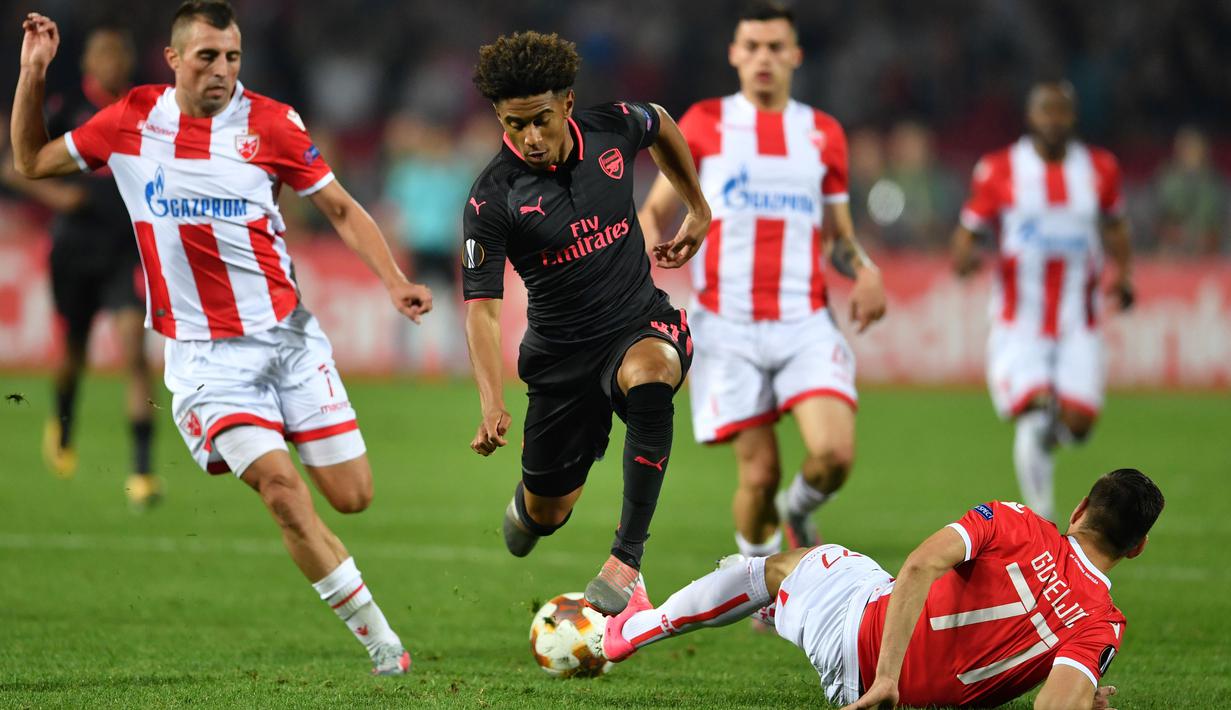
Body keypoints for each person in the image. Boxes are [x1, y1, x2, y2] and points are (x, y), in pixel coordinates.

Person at [11, 2, 432, 675]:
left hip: (290, 341)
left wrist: (393, 280)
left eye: (232, 57)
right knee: (283, 493)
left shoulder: (273, 123)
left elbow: (339, 207)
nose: (222, 70)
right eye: (207, 56)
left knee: (352, 496)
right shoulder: (130, 120)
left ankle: (287, 441)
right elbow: (31, 160)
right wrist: (33, 73)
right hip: (207, 361)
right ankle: (383, 645)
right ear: (174, 59)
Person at [463, 31, 710, 615]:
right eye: (515, 124)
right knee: (547, 513)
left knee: (653, 373)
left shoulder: (612, 129)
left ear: (567, 104)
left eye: (541, 120)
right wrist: (491, 403)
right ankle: (530, 510)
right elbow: (483, 309)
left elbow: (661, 121)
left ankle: (626, 559)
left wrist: (696, 206)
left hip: (638, 322)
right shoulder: (491, 199)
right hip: (560, 359)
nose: (530, 137)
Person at [638, 1, 886, 562]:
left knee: (835, 456)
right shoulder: (703, 123)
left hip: (804, 320)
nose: (763, 58)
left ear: (796, 55)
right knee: (758, 474)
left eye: (775, 47)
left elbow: (839, 237)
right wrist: (649, 251)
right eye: (752, 47)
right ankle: (762, 588)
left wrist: (866, 270)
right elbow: (654, 210)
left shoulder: (823, 134)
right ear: (734, 54)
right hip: (727, 326)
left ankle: (797, 509)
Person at [603, 468, 1163, 710]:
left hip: (858, 641)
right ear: (1135, 548)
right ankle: (785, 609)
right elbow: (1053, 705)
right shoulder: (1102, 623)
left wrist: (888, 677)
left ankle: (631, 630)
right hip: (883, 690)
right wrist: (1081, 699)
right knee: (859, 572)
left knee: (787, 565)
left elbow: (920, 566)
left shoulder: (1018, 521)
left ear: (1079, 510)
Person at [951, 81, 1134, 521]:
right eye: (1045, 111)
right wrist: (964, 258)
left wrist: (1125, 274)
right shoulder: (999, 168)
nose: (1053, 119)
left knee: (1078, 426)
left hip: (1078, 319)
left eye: (1061, 111)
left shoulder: (1099, 168)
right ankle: (1043, 521)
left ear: (1073, 116)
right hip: (1021, 320)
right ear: (1030, 116)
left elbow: (1115, 226)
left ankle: (1049, 431)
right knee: (1032, 409)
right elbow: (968, 230)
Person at [2, 27, 160, 508]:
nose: (112, 62)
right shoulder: (67, 106)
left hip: (123, 251)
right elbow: (16, 164)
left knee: (135, 352)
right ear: (89, 63)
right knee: (73, 353)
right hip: (73, 250)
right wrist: (60, 197)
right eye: (103, 54)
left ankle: (142, 472)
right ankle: (64, 423)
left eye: (119, 54)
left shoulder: (143, 113)